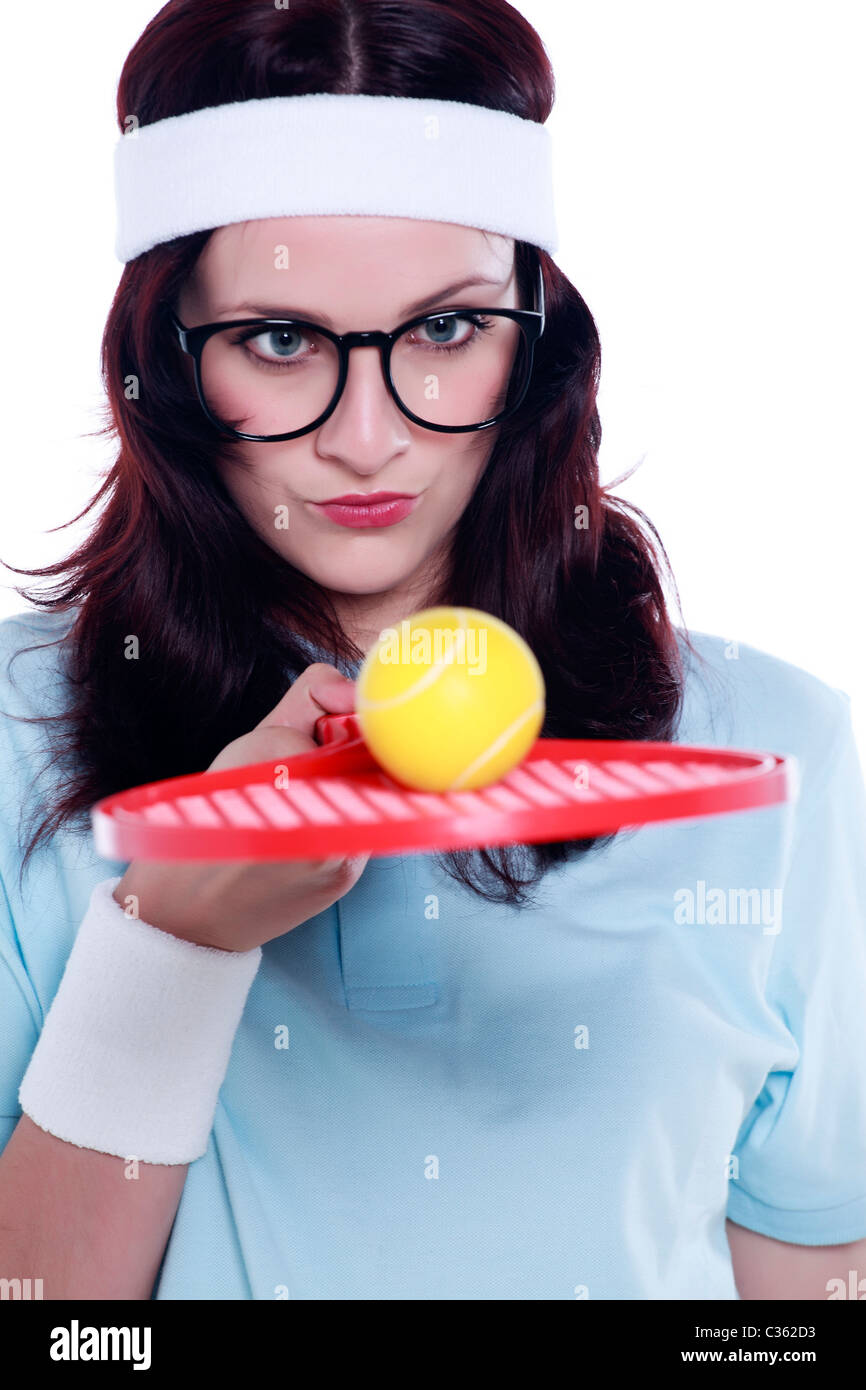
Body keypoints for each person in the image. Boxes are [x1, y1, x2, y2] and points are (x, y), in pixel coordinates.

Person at [1, 0, 865, 1302]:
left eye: (446, 330)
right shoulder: (16, 727)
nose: (365, 437)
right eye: (279, 340)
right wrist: (168, 945)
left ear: (540, 341)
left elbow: (801, 1297)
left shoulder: (777, 748)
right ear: (169, 362)